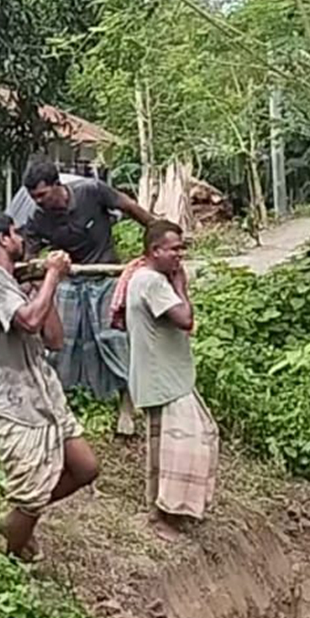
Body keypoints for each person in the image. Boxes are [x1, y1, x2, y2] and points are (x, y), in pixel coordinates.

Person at [0, 211, 99, 562]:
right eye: (15, 232)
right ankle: (9, 556)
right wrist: (54, 274)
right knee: (29, 496)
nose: (21, 238)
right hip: (14, 398)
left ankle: (13, 522)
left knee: (85, 468)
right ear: (2, 239)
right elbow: (27, 321)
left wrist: (43, 286)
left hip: (43, 390)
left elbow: (54, 339)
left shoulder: (13, 283)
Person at [22, 161, 155, 429]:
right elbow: (29, 252)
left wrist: (158, 234)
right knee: (64, 345)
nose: (38, 202)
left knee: (114, 339)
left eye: (42, 195)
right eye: (33, 197)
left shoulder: (91, 191)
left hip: (105, 277)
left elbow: (129, 207)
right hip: (70, 283)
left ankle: (127, 406)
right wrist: (30, 277)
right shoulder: (39, 218)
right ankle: (69, 401)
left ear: (57, 185)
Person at [125, 220, 218, 542]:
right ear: (155, 251)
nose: (181, 255)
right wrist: (181, 286)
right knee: (183, 446)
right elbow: (185, 319)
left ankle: (167, 512)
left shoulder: (143, 278)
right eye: (174, 249)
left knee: (165, 449)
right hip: (163, 378)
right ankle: (161, 516)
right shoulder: (153, 282)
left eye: (182, 248)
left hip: (162, 377)